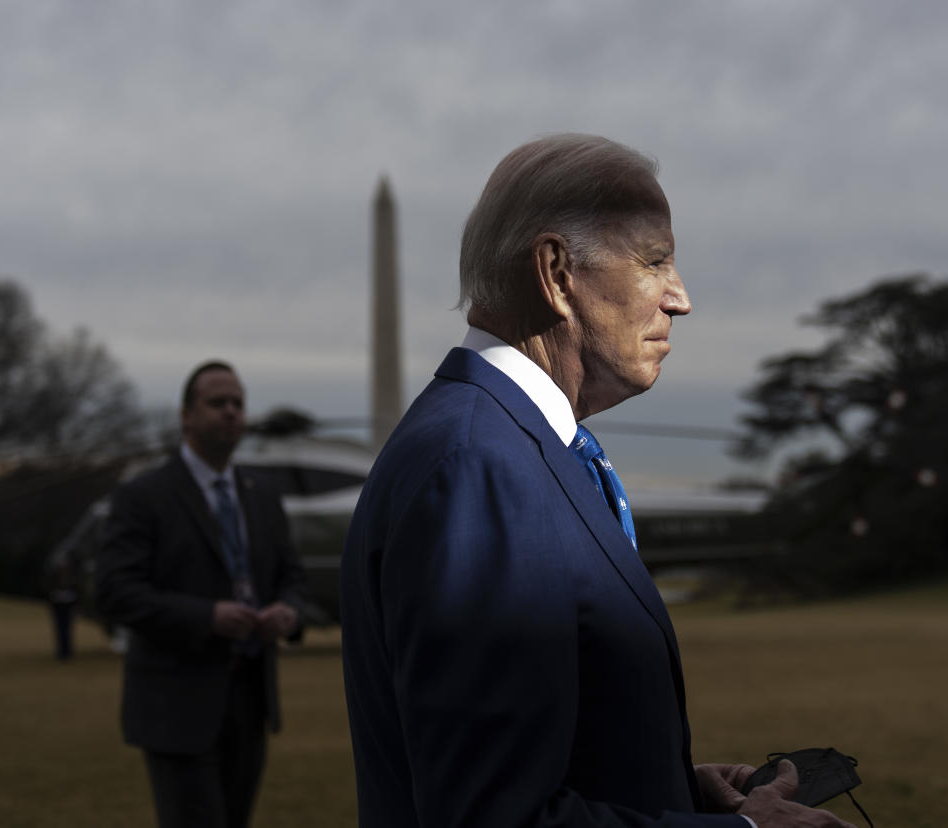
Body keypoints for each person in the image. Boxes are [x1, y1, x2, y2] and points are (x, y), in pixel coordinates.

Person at [340, 134, 855, 828]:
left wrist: (665, 786)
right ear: (556, 272)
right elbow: (490, 816)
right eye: (655, 261)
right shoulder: (480, 468)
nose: (681, 299)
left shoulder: (517, 448)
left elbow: (532, 749)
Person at [95, 360, 306, 828]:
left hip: (250, 702)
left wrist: (288, 614)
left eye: (237, 403)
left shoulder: (262, 494)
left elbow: (292, 577)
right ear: (186, 416)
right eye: (217, 403)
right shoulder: (144, 495)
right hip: (177, 708)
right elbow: (113, 590)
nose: (231, 412)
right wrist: (206, 616)